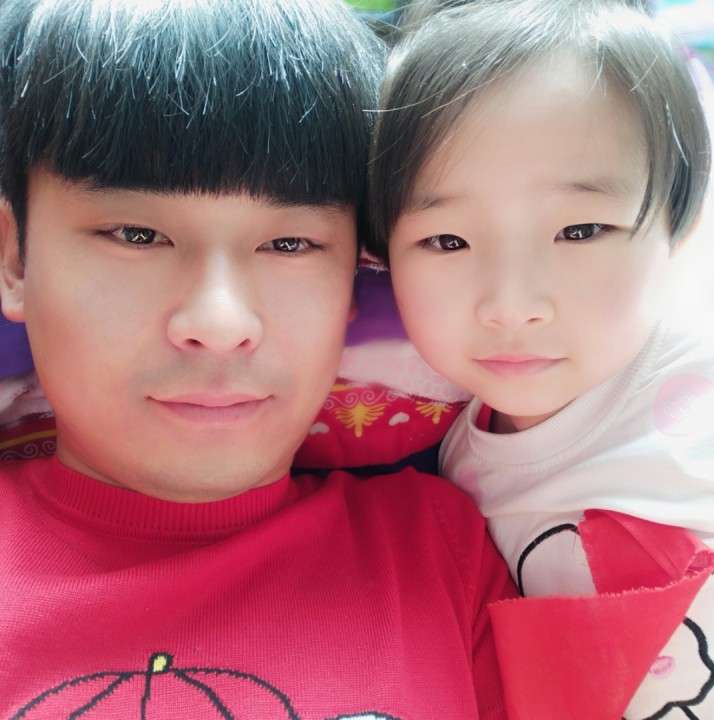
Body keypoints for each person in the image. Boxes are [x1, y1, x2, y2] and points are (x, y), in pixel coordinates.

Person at [0, 0, 522, 717]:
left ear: (356, 277)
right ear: (15, 258)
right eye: (136, 235)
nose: (220, 325)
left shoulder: (438, 551)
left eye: (289, 244)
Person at [368, 0, 714, 717]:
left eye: (580, 230)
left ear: (677, 227)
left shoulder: (702, 387)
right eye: (447, 242)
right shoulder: (446, 463)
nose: (512, 304)